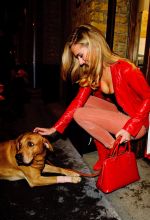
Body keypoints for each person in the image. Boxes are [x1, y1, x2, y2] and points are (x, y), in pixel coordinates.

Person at [34, 24, 150, 174]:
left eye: (80, 55)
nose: (80, 62)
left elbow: (148, 97)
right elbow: (78, 102)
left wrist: (130, 128)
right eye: (78, 58)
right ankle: (106, 153)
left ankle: (113, 149)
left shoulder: (125, 68)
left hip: (137, 122)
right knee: (84, 103)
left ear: (94, 45)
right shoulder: (94, 72)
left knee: (80, 114)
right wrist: (54, 128)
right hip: (119, 114)